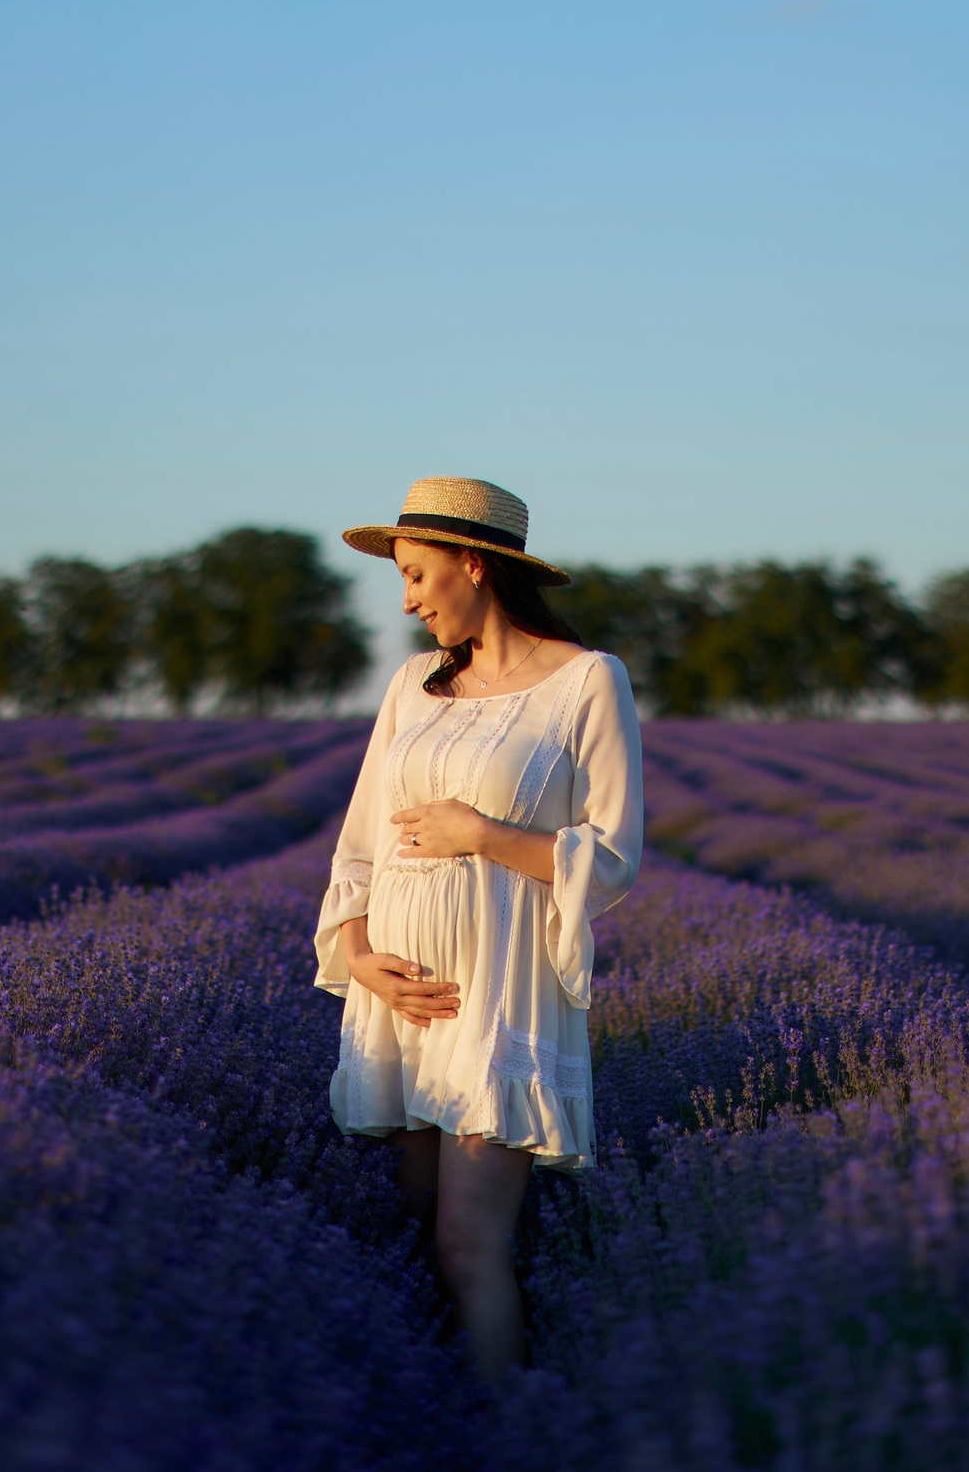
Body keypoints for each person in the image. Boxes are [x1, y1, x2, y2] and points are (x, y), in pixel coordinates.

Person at [315, 476, 644, 1381]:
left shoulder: (586, 680)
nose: (409, 597)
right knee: (420, 1229)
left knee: (469, 1241)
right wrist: (358, 957)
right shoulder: (412, 685)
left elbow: (613, 855)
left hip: (498, 994)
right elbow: (358, 846)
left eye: (419, 573)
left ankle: (512, 1429)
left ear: (475, 562)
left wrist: (484, 835)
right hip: (401, 993)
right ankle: (431, 1414)